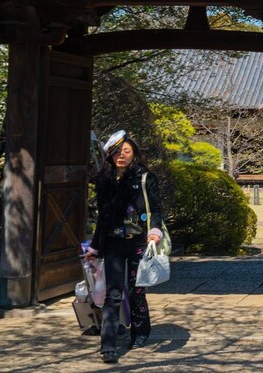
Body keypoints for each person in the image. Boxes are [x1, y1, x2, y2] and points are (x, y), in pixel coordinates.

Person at [84, 131, 163, 363]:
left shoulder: (146, 178)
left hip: (139, 242)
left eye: (126, 151)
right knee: (113, 294)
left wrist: (154, 230)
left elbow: (156, 209)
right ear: (109, 155)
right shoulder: (104, 181)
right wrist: (95, 247)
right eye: (116, 152)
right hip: (114, 244)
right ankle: (107, 345)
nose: (121, 156)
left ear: (134, 153)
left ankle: (140, 332)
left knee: (137, 290)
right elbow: (103, 217)